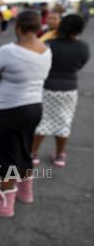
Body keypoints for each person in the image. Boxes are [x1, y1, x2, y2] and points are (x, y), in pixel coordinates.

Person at [0, 10, 52, 217]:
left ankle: (4, 203)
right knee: (25, 150)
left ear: (17, 27)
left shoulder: (8, 51)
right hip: (34, 107)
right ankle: (25, 193)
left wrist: (4, 78)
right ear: (38, 27)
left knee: (6, 155)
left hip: (11, 109)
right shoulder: (46, 50)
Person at [31, 14, 90, 167]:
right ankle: (59, 156)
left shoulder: (49, 45)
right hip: (69, 90)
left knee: (42, 121)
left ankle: (33, 153)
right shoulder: (83, 47)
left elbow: (39, 65)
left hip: (47, 88)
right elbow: (80, 65)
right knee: (64, 123)